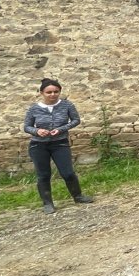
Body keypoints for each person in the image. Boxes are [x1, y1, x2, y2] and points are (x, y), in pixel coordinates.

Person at [23, 78, 93, 214]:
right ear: (42, 93)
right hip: (38, 145)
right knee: (43, 175)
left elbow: (76, 120)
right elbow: (27, 126)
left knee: (68, 173)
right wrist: (37, 131)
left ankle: (78, 196)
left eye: (56, 91)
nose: (52, 94)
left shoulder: (67, 105)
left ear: (59, 91)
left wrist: (61, 129)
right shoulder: (34, 108)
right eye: (49, 92)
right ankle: (48, 203)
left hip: (60, 143)